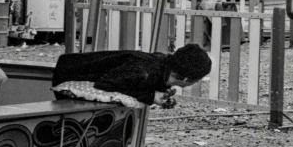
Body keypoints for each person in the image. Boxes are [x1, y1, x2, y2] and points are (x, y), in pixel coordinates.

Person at [52, 43, 211, 107]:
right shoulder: (144, 72)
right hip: (69, 74)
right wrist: (150, 96)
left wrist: (160, 90)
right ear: (184, 78)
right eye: (196, 80)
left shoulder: (162, 63)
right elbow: (106, 84)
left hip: (70, 67)